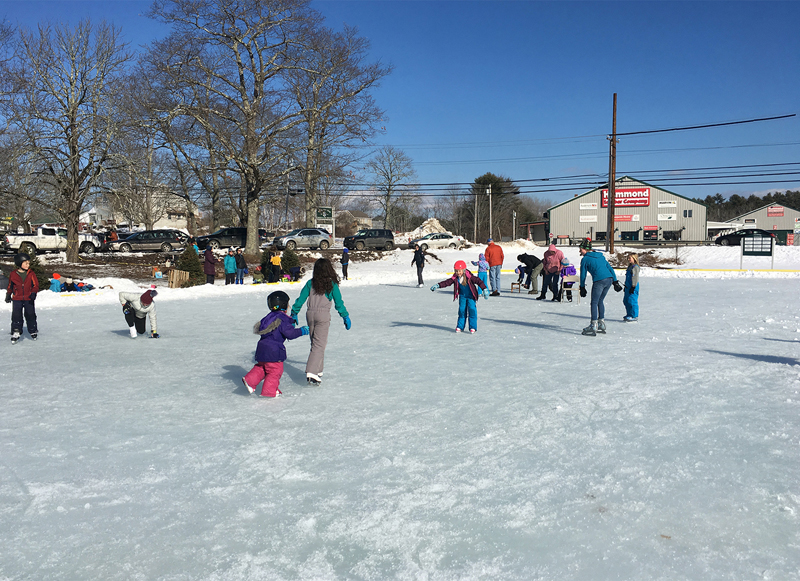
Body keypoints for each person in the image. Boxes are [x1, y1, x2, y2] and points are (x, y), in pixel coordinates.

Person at [290, 258, 351, 385]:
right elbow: (339, 302)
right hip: (322, 315)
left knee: (315, 342)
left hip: (310, 314)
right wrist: (345, 316)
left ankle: (318, 369)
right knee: (319, 344)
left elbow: (301, 299)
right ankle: (312, 372)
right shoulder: (331, 284)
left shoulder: (311, 283)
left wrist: (294, 313)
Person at [242, 290, 309, 398]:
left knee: (262, 367)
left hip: (262, 348)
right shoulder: (282, 319)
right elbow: (290, 334)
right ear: (284, 305)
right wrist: (302, 331)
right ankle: (269, 391)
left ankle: (250, 380)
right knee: (275, 371)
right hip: (274, 350)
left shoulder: (268, 317)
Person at [430, 259, 489, 334]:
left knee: (472, 310)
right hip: (462, 296)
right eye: (456, 271)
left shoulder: (469, 276)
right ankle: (460, 326)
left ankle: (473, 327)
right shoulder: (455, 277)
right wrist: (438, 285)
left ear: (463, 270)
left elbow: (478, 281)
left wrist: (484, 289)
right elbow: (447, 282)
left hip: (471, 296)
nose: (458, 273)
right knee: (461, 311)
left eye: (459, 271)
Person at [578, 239, 622, 336]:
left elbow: (583, 275)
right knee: (600, 301)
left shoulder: (585, 259)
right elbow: (609, 268)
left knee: (594, 302)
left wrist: (582, 287)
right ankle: (601, 323)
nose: (579, 251)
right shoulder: (601, 256)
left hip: (599, 281)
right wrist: (615, 281)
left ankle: (593, 325)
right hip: (609, 280)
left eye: (580, 249)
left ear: (585, 249)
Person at [6, 252, 39, 344]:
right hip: (17, 298)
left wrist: (33, 293)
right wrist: (8, 294)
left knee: (30, 314)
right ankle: (16, 331)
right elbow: (10, 285)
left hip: (29, 298)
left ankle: (32, 329)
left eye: (28, 263)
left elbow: (36, 285)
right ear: (20, 263)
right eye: (26, 263)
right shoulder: (13, 274)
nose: (28, 265)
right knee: (16, 315)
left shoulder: (31, 273)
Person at [623, 253, 640, 322]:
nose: (628, 259)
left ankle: (634, 316)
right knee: (626, 301)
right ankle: (629, 314)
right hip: (628, 286)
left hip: (633, 286)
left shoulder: (635, 267)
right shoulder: (630, 267)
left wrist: (633, 286)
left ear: (634, 258)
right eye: (628, 258)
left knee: (632, 301)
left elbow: (635, 277)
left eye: (630, 258)